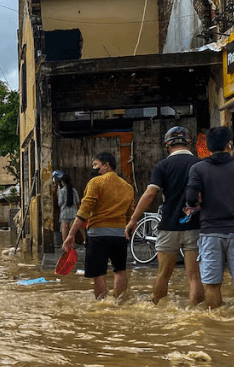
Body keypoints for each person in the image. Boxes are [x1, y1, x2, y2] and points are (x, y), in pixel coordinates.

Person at [184, 126, 234, 316]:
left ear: (208, 147)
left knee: (211, 284)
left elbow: (191, 198)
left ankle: (215, 328)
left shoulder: (198, 168)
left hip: (210, 233)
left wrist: (199, 202)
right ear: (229, 145)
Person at [125, 126, 204, 306]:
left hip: (169, 226)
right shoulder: (200, 165)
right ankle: (196, 316)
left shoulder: (162, 166)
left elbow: (150, 194)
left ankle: (158, 313)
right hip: (195, 226)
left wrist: (133, 219)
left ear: (167, 145)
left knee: (163, 274)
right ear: (189, 142)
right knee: (194, 276)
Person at [62, 152, 135, 299]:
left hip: (98, 235)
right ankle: (121, 303)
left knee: (98, 273)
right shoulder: (127, 187)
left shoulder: (96, 182)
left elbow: (83, 212)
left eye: (96, 165)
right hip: (120, 235)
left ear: (106, 165)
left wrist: (71, 234)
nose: (93, 168)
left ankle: (102, 305)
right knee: (120, 270)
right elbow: (130, 216)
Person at [53, 170, 80, 247]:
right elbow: (78, 201)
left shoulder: (61, 191)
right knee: (72, 230)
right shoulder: (74, 190)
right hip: (73, 212)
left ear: (63, 182)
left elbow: (60, 203)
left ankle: (65, 244)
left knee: (64, 228)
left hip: (64, 213)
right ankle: (72, 244)